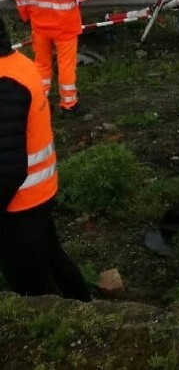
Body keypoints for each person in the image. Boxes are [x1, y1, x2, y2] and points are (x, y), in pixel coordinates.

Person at [0, 17, 91, 302]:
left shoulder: (6, 84)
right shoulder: (18, 66)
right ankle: (85, 310)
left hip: (20, 204)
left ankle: (64, 329)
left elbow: (7, 168)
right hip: (37, 193)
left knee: (32, 286)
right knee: (52, 257)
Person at [13, 0, 92, 113]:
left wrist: (26, 15)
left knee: (41, 64)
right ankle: (69, 103)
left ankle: (39, 102)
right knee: (66, 66)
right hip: (65, 27)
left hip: (39, 25)